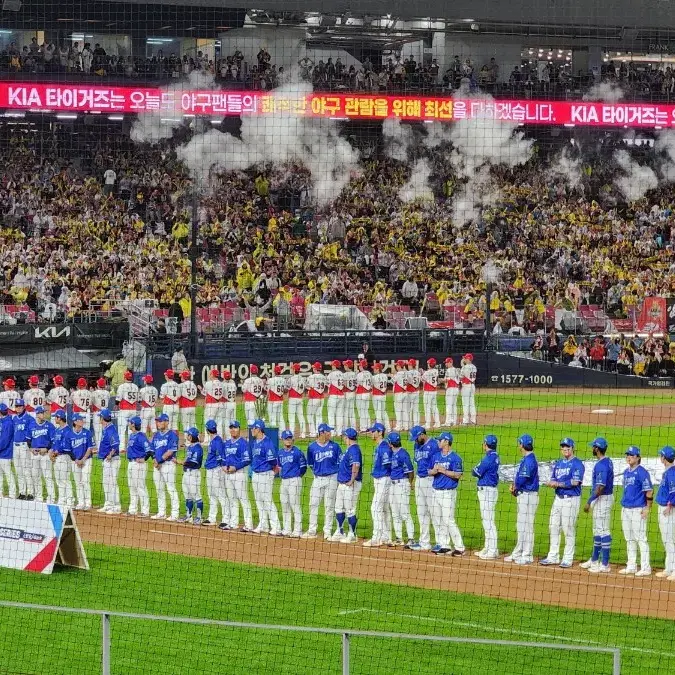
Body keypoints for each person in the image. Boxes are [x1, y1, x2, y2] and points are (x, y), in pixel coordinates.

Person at [540, 438, 585, 568]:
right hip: (558, 499)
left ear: (572, 448)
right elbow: (553, 477)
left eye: (568, 447)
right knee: (553, 527)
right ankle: (553, 556)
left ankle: (567, 558)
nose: (565, 449)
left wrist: (558, 484)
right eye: (563, 447)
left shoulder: (578, 464)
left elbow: (575, 482)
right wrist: (551, 483)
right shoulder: (559, 463)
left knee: (568, 529)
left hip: (571, 499)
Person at [580, 437, 614, 573]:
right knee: (597, 530)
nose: (592, 449)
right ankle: (594, 560)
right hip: (604, 498)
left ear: (597, 449)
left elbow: (600, 487)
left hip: (603, 499)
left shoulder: (601, 465)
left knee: (603, 530)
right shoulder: (607, 462)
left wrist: (589, 501)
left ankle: (604, 564)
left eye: (593, 447)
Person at [428, 431, 465, 556]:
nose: (438, 442)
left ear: (446, 442)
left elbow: (458, 475)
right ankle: (445, 545)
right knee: (438, 519)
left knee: (448, 520)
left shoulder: (455, 458)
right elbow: (429, 471)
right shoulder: (435, 456)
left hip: (448, 493)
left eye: (440, 440)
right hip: (435, 492)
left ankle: (460, 547)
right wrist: (434, 470)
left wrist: (443, 470)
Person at [506, 433, 539, 565]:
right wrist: (515, 488)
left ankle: (528, 554)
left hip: (529, 496)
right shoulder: (526, 459)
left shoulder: (530, 460)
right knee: (520, 525)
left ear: (522, 445)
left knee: (527, 526)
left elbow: (523, 478)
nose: (519, 446)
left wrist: (514, 487)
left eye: (519, 444)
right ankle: (518, 551)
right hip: (523, 494)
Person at [619, 446, 653, 576]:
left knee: (641, 539)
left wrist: (647, 508)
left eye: (631, 455)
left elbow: (649, 490)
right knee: (629, 539)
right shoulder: (626, 471)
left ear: (638, 458)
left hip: (638, 509)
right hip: (626, 509)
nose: (628, 457)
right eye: (627, 455)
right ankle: (631, 565)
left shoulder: (642, 472)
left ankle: (645, 567)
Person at [304, 422, 340, 539]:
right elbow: (310, 463)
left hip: (332, 478)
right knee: (313, 504)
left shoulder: (335, 446)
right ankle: (312, 530)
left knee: (329, 506)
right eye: (328, 431)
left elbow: (340, 462)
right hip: (318, 479)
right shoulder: (311, 447)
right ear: (322, 433)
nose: (330, 433)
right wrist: (317, 472)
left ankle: (327, 531)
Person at [407, 426, 438, 552]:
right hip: (420, 480)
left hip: (430, 480)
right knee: (421, 512)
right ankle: (424, 542)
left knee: (434, 511)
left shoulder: (434, 445)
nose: (415, 441)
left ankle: (441, 542)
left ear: (422, 435)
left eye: (416, 438)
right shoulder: (416, 445)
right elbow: (417, 464)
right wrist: (414, 481)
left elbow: (437, 464)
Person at [250, 419, 281, 535]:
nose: (252, 430)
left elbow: (273, 460)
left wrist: (272, 471)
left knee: (268, 500)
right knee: (259, 501)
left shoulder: (267, 442)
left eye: (254, 428)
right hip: (256, 474)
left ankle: (276, 526)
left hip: (265, 474)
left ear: (259, 429)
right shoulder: (254, 442)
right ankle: (263, 525)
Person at [472, 434, 501, 560]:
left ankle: (493, 550)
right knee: (487, 520)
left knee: (488, 521)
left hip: (487, 491)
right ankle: (488, 547)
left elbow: (475, 471)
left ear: (485, 444)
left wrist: (475, 469)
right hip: (489, 490)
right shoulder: (494, 456)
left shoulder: (488, 459)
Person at [221, 420, 253, 531]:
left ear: (239, 429)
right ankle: (233, 523)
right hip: (228, 474)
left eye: (235, 427)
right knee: (232, 499)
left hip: (239, 474)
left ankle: (248, 525)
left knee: (243, 499)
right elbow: (223, 458)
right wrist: (224, 466)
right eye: (231, 428)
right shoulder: (227, 443)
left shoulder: (244, 443)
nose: (233, 430)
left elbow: (247, 460)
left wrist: (236, 467)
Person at [364, 422, 392, 547]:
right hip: (380, 479)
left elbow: (389, 465)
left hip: (384, 480)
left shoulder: (384, 447)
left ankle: (377, 538)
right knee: (384, 509)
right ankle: (386, 536)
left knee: (375, 508)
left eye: (373, 431)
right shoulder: (379, 446)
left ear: (380, 432)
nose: (371, 433)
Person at [332, 427, 362, 543]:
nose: (344, 439)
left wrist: (352, 480)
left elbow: (356, 465)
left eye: (345, 437)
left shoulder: (354, 450)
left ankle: (352, 534)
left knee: (350, 509)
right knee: (339, 507)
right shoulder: (349, 449)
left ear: (348, 438)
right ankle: (340, 531)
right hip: (342, 483)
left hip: (350, 484)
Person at [150, 413, 180, 521]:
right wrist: (154, 460)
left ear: (167, 422)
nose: (158, 423)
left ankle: (175, 513)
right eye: (157, 421)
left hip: (168, 465)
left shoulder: (172, 435)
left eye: (161, 421)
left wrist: (159, 460)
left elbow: (171, 451)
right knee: (159, 489)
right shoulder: (156, 435)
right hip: (157, 466)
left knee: (171, 489)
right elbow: (152, 449)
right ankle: (161, 512)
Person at [387, 431, 415, 546]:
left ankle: (411, 538)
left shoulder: (403, 454)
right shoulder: (392, 453)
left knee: (405, 512)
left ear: (390, 443)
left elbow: (411, 471)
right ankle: (399, 538)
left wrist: (409, 483)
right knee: (395, 512)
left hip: (402, 484)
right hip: (393, 485)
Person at [278, 430, 307, 537]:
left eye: (289, 438)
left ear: (293, 440)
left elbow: (303, 467)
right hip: (284, 481)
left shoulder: (297, 452)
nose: (288, 440)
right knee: (284, 504)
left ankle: (297, 530)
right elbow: (279, 466)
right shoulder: (280, 453)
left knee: (295, 505)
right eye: (286, 439)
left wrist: (297, 476)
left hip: (294, 480)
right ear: (282, 440)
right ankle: (287, 529)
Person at [124, 416, 152, 517]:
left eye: (130, 423)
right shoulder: (132, 435)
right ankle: (133, 509)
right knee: (132, 487)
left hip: (138, 465)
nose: (128, 424)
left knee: (140, 487)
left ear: (133, 424)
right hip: (131, 463)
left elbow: (149, 450)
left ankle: (145, 510)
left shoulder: (141, 436)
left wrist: (143, 459)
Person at [27, 407, 55, 504]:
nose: (43, 414)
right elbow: (28, 440)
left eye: (44, 412)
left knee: (48, 476)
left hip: (45, 454)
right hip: (34, 454)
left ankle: (51, 498)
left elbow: (53, 441)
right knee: (36, 476)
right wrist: (31, 449)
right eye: (41, 413)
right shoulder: (31, 425)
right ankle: (38, 497)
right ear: (37, 414)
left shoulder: (50, 426)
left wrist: (47, 449)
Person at [69, 412, 95, 511]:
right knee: (78, 482)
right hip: (74, 461)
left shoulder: (87, 432)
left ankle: (88, 503)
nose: (82, 421)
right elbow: (68, 450)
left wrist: (83, 459)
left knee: (85, 481)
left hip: (87, 460)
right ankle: (81, 502)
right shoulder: (69, 434)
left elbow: (90, 447)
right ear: (75, 422)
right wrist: (76, 460)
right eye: (80, 420)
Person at [656, 446, 675, 580]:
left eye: (661, 456)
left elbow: (674, 492)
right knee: (666, 540)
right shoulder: (668, 471)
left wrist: (669, 505)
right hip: (664, 508)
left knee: (669, 540)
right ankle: (668, 569)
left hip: (668, 510)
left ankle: (673, 569)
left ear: (664, 458)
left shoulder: (672, 473)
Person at [177, 427, 204, 524]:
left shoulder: (198, 448)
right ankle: (188, 516)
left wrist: (180, 462)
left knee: (196, 495)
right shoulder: (190, 446)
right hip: (186, 474)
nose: (186, 436)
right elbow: (188, 460)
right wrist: (183, 463)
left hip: (194, 474)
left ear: (191, 436)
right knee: (187, 495)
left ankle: (199, 517)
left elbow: (194, 463)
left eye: (188, 435)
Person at [97, 409, 121, 514]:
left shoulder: (111, 429)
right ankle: (108, 504)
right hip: (106, 460)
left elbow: (116, 444)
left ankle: (116, 506)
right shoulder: (106, 429)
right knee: (106, 483)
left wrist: (110, 454)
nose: (99, 419)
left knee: (112, 483)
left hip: (112, 460)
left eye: (100, 417)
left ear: (103, 418)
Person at [203, 420, 227, 526]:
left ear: (207, 430)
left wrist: (218, 469)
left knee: (220, 494)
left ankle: (226, 519)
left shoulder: (217, 441)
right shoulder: (213, 440)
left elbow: (220, 457)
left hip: (216, 470)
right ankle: (212, 518)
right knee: (212, 494)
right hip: (210, 470)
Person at [50, 410, 74, 507]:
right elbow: (54, 444)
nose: (55, 419)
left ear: (60, 418)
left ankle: (70, 500)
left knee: (65, 479)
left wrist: (54, 453)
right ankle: (62, 499)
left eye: (56, 417)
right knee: (59, 479)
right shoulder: (57, 430)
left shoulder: (68, 430)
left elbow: (65, 446)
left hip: (64, 457)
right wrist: (51, 453)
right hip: (56, 458)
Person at [12, 399, 33, 500]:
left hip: (25, 446)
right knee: (18, 470)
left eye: (20, 406)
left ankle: (30, 493)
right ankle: (22, 492)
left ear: (23, 407)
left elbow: (32, 432)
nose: (18, 408)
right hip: (15, 446)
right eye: (17, 406)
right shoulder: (14, 418)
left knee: (26, 470)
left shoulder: (29, 418)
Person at [116, 371, 139, 452]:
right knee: (131, 429)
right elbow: (138, 399)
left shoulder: (122, 386)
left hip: (124, 410)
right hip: (133, 410)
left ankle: (121, 448)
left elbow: (118, 399)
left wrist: (116, 405)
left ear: (124, 378)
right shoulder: (135, 386)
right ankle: (130, 446)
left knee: (122, 430)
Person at [0, 404, 17, 499]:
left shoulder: (8, 423)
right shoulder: (3, 421)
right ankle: (0, 493)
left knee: (8, 474)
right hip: (1, 453)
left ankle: (12, 494)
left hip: (5, 453)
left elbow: (5, 440)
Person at [305, 361, 327, 436]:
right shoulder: (324, 377)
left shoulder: (311, 377)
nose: (313, 368)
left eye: (314, 367)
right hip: (322, 398)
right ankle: (320, 432)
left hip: (314, 398)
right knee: (319, 415)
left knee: (309, 415)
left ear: (315, 369)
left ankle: (313, 433)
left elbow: (307, 386)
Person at [286, 363, 307, 440]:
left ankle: (291, 434)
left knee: (291, 417)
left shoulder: (291, 379)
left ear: (294, 370)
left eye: (292, 368)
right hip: (300, 399)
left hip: (292, 399)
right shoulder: (303, 378)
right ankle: (303, 433)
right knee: (301, 416)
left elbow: (287, 388)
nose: (291, 369)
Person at [202, 370, 224, 439]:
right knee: (219, 423)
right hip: (220, 405)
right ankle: (219, 438)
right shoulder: (221, 383)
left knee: (208, 422)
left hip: (211, 405)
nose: (209, 375)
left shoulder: (208, 383)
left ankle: (207, 439)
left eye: (210, 374)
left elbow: (204, 393)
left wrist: (200, 389)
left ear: (212, 375)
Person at [326, 360, 345, 434]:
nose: (332, 366)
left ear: (335, 366)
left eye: (332, 365)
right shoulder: (342, 374)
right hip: (341, 396)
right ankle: (339, 432)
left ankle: (332, 432)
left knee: (331, 414)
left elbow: (328, 384)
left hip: (333, 395)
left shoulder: (331, 374)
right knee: (339, 415)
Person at [421, 358, 440, 430]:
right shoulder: (436, 371)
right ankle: (437, 423)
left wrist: (422, 372)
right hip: (434, 392)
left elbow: (422, 379)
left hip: (428, 392)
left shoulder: (427, 372)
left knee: (427, 408)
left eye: (428, 363)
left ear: (430, 364)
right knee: (434, 407)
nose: (427, 364)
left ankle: (427, 424)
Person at [91, 378, 111, 445]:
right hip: (105, 414)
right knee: (105, 431)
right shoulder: (108, 393)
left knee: (98, 432)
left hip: (97, 413)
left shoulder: (94, 393)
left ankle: (99, 447)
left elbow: (92, 403)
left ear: (98, 385)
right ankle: (106, 446)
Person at [266, 365, 286, 430]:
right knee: (280, 417)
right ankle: (282, 433)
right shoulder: (283, 380)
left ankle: (274, 434)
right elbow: (285, 390)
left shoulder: (271, 380)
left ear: (274, 372)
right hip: (280, 401)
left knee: (272, 418)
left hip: (272, 401)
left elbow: (267, 390)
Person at [355, 360, 372, 432]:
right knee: (366, 411)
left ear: (362, 366)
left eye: (359, 365)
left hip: (361, 394)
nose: (359, 366)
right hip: (367, 393)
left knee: (361, 412)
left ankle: (363, 428)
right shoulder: (369, 373)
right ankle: (368, 426)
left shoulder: (360, 374)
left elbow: (357, 384)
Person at [460, 353, 477, 425]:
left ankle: (465, 421)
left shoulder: (465, 367)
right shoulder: (474, 367)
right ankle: (473, 420)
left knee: (465, 404)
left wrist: (462, 365)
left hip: (466, 386)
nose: (464, 359)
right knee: (472, 404)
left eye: (465, 358)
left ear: (468, 359)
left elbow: (461, 377)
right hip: (472, 386)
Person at [371, 362, 389, 429]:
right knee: (384, 412)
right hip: (383, 396)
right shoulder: (385, 376)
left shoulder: (374, 377)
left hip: (376, 396)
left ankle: (379, 428)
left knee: (378, 412)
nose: (374, 370)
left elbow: (370, 386)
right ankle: (388, 427)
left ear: (378, 369)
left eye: (375, 368)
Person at [392, 360, 409, 431]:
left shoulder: (398, 374)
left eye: (397, 365)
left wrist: (392, 375)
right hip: (405, 393)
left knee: (398, 411)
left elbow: (392, 381)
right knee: (405, 410)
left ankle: (399, 426)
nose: (396, 366)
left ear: (399, 366)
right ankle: (406, 426)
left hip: (399, 394)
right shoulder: (406, 373)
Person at [443, 357, 460, 427]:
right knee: (454, 405)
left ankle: (448, 422)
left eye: (447, 362)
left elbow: (448, 380)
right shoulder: (456, 370)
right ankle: (454, 421)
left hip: (451, 389)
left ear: (450, 362)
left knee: (449, 405)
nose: (446, 364)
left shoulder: (449, 370)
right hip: (456, 389)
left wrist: (441, 380)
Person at [221, 371, 237, 439]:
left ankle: (228, 437)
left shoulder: (222, 384)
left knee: (226, 421)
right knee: (233, 421)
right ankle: (234, 436)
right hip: (233, 403)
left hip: (226, 404)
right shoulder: (233, 384)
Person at [342, 359, 358, 431]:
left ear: (348, 366)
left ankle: (345, 428)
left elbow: (343, 384)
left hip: (346, 393)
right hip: (353, 393)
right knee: (352, 412)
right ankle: (353, 427)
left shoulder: (344, 375)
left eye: (345, 365)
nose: (344, 366)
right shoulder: (355, 374)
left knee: (345, 411)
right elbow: (357, 384)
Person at [406, 359, 421, 429]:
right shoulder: (418, 373)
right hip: (416, 392)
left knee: (408, 410)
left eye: (409, 365)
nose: (408, 366)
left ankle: (409, 425)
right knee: (416, 409)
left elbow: (407, 382)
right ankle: (416, 424)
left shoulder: (408, 373)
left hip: (409, 392)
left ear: (411, 365)